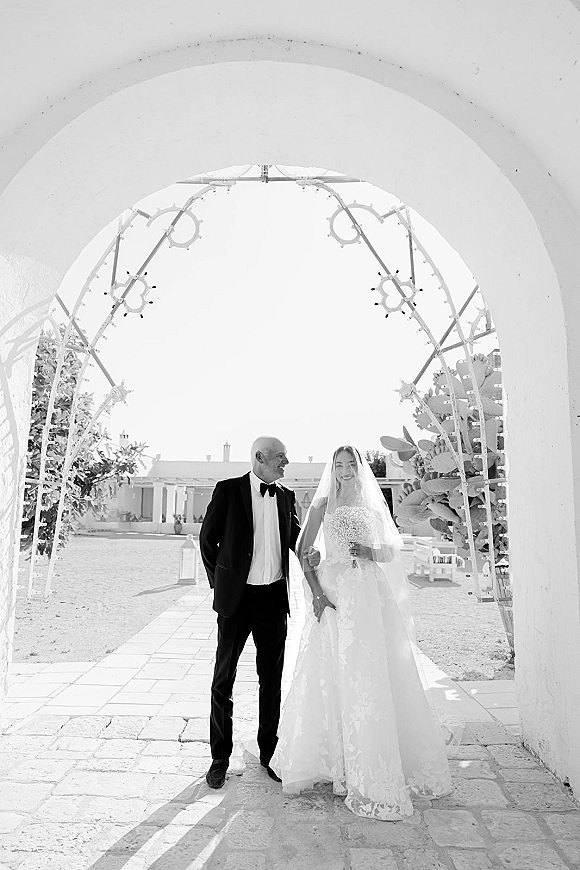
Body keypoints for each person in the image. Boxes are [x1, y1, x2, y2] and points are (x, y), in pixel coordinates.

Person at [271, 445, 453, 820]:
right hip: (336, 593)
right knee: (333, 673)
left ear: (359, 467)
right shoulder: (323, 504)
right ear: (332, 470)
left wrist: (370, 550)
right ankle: (335, 763)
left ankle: (375, 758)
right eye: (338, 465)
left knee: (371, 673)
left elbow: (391, 550)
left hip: (369, 594)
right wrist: (317, 593)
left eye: (350, 464)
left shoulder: (372, 501)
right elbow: (304, 550)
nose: (345, 470)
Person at [199, 436, 302, 789]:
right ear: (260, 457)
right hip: (236, 602)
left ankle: (269, 753)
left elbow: (299, 541)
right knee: (222, 680)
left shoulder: (286, 497)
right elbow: (207, 541)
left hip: (273, 600)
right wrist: (222, 585)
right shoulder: (227, 491)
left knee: (271, 682)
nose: (285, 463)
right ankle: (219, 757)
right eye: (281, 458)